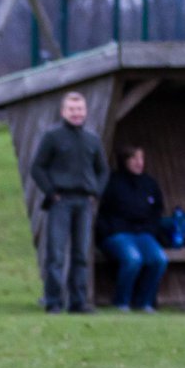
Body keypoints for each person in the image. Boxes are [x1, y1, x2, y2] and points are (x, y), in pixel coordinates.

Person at [29, 91, 109, 314]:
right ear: (64, 112)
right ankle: (53, 301)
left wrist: (97, 192)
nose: (77, 113)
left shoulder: (93, 139)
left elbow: (103, 170)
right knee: (56, 254)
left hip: (84, 202)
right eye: (72, 109)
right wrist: (51, 191)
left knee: (81, 254)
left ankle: (79, 302)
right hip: (60, 201)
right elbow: (37, 167)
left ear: (85, 111)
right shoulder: (52, 136)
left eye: (80, 109)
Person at [96, 145, 168, 312]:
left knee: (159, 260)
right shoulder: (111, 182)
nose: (139, 163)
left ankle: (144, 303)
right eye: (134, 159)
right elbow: (98, 211)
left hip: (143, 233)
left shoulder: (149, 183)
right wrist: (107, 230)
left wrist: (151, 229)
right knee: (133, 259)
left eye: (141, 158)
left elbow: (157, 210)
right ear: (124, 161)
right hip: (117, 233)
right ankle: (121, 302)